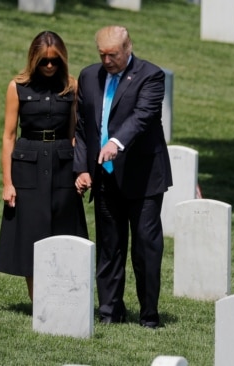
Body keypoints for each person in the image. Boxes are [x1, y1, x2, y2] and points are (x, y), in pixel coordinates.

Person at [74, 25, 172, 328]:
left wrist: (116, 143)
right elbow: (82, 127)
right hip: (105, 177)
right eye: (101, 54)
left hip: (143, 178)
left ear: (128, 49)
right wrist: (82, 168)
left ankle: (149, 315)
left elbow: (142, 116)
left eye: (112, 55)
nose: (106, 60)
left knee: (145, 246)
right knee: (109, 247)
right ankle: (109, 312)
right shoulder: (89, 76)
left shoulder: (150, 76)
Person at [0, 31, 89, 302]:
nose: (49, 66)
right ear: (33, 60)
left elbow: (74, 134)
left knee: (64, 230)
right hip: (29, 166)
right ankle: (39, 301)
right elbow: (9, 136)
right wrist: (7, 182)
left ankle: (65, 297)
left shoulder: (71, 87)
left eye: (55, 61)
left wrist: (79, 171)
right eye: (44, 61)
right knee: (31, 233)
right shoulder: (17, 87)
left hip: (62, 164)